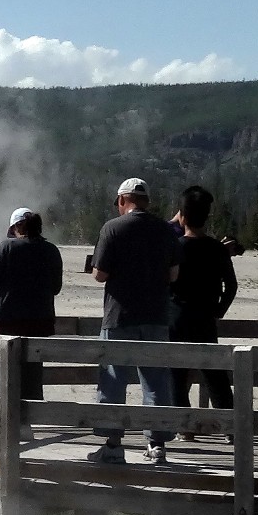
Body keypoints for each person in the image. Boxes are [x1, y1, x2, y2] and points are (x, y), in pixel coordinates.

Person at [88, 178, 183, 465]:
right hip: (156, 315)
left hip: (120, 315)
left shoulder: (112, 228)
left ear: (121, 200)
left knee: (114, 379)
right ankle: (157, 445)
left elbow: (100, 274)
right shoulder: (165, 231)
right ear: (147, 202)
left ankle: (113, 445)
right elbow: (174, 275)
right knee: (155, 380)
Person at [0, 207, 63, 440]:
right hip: (40, 320)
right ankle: (26, 425)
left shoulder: (6, 247)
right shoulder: (52, 250)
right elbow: (56, 288)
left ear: (16, 227)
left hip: (7, 318)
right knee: (31, 373)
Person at [169, 186, 238, 423]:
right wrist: (219, 310)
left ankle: (184, 425)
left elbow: (167, 282)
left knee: (176, 373)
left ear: (183, 216)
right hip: (206, 317)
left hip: (178, 316)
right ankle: (229, 424)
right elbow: (231, 285)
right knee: (213, 372)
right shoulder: (217, 249)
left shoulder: (177, 246)